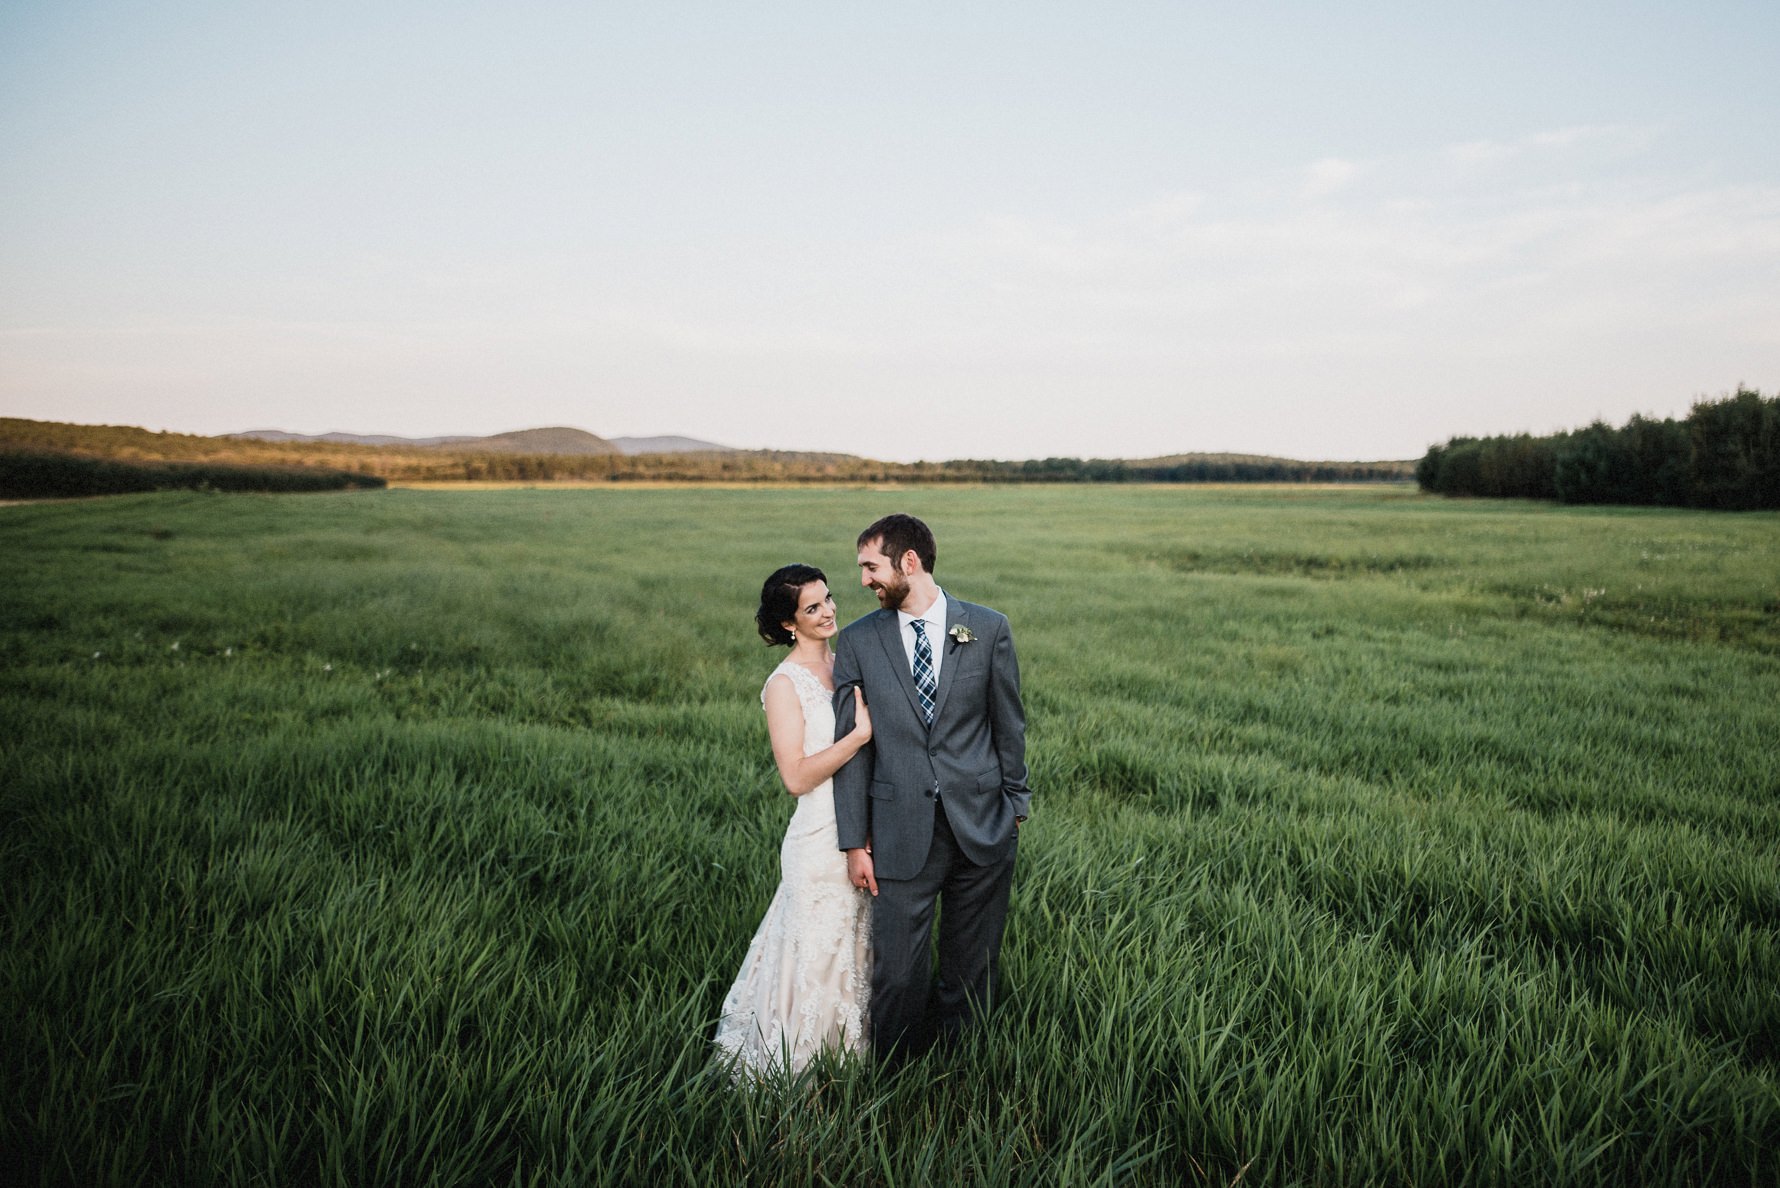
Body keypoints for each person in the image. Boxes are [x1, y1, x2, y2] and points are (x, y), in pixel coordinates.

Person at [831, 514, 1030, 1061]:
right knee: (896, 971)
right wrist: (854, 840)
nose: (865, 580)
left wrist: (1016, 806)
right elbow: (852, 749)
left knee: (971, 966)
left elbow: (1007, 724)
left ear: (909, 562)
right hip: (897, 832)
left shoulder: (987, 628)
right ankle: (896, 1078)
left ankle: (960, 1072)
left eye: (871, 566)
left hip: (983, 826)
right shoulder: (858, 641)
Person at [713, 564, 876, 1079]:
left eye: (828, 599)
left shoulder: (849, 658)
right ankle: (796, 1065)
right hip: (817, 838)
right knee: (813, 949)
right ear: (789, 623)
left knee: (855, 948)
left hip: (866, 827)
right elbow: (796, 777)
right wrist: (855, 739)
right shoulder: (784, 684)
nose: (828, 611)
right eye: (812, 608)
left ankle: (851, 1057)